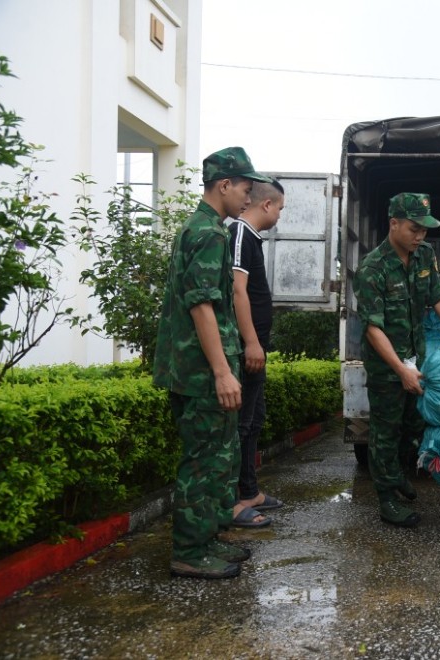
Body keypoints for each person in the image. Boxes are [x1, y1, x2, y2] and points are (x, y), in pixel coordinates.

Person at [153, 146, 273, 579]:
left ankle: (205, 538)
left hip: (203, 369)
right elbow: (203, 307)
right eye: (244, 186)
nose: (249, 195)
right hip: (201, 372)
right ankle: (189, 549)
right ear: (223, 185)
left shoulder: (211, 229)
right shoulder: (207, 233)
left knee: (219, 457)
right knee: (204, 460)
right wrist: (223, 371)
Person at [354, 192, 440, 527]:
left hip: (417, 357)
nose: (420, 236)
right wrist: (400, 370)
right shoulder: (373, 268)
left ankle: (397, 474)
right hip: (387, 365)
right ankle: (386, 497)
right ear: (393, 223)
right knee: (385, 430)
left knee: (414, 424)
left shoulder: (424, 255)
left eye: (425, 230)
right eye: (414, 229)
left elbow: (437, 296)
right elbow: (372, 328)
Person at [229, 180, 286, 525]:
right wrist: (250, 341)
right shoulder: (238, 233)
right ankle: (233, 499)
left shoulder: (252, 238)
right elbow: (237, 290)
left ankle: (250, 490)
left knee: (253, 422)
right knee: (240, 425)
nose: (280, 214)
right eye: (280, 208)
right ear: (266, 204)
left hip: (256, 349)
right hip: (243, 348)